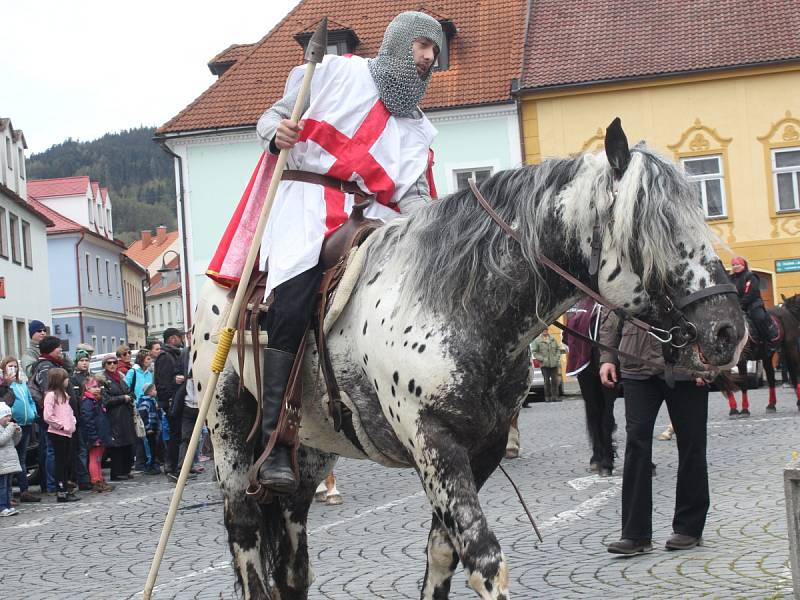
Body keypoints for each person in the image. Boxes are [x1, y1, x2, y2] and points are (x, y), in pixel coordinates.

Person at [204, 11, 444, 495]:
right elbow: (272, 116)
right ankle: (274, 438)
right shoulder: (337, 73)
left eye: (435, 52)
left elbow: (414, 194)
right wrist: (278, 133)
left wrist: (439, 227)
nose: (429, 58)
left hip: (371, 213)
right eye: (423, 45)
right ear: (398, 42)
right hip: (307, 202)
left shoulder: (417, 129)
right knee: (292, 297)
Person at [599, 311, 709, 555]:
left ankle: (689, 527)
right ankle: (635, 535)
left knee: (692, 444)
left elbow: (710, 308)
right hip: (636, 363)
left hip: (686, 365)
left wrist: (709, 359)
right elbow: (611, 311)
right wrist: (607, 357)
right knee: (636, 444)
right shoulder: (629, 271)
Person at [562, 300, 617, 476]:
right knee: (592, 409)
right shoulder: (579, 305)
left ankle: (609, 455)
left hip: (609, 360)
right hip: (585, 365)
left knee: (608, 411)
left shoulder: (609, 303)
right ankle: (598, 451)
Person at [0, 357, 41, 502]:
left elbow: (29, 399)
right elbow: (7, 402)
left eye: (15, 366)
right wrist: (6, 384)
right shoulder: (4, 384)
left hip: (26, 423)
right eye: (10, 366)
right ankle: (8, 495)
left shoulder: (21, 383)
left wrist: (33, 411)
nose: (13, 369)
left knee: (21, 458)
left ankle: (24, 490)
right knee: (9, 460)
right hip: (10, 424)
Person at [29, 335, 66, 494]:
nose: (61, 350)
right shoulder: (45, 367)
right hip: (49, 415)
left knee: (51, 449)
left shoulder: (51, 364)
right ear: (51, 349)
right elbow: (48, 392)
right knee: (51, 450)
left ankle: (54, 482)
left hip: (51, 414)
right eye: (59, 347)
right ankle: (52, 484)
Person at [42, 368, 79, 503]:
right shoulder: (51, 395)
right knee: (60, 463)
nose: (67, 380)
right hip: (58, 433)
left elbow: (69, 412)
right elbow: (48, 415)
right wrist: (61, 426)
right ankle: (61, 490)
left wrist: (72, 424)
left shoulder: (64, 394)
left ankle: (65, 488)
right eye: (65, 378)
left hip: (67, 433)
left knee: (66, 462)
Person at [98, 355, 137, 482]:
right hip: (113, 416)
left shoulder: (120, 377)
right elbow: (105, 400)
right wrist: (122, 398)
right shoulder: (103, 379)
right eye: (109, 363)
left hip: (125, 414)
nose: (112, 365)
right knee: (117, 446)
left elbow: (130, 392)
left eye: (114, 362)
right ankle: (117, 472)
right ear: (105, 365)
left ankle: (126, 470)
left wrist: (129, 397)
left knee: (128, 444)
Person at [730, 257, 778, 349]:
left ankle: (768, 341)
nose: (735, 267)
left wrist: (741, 304)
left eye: (737, 264)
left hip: (753, 304)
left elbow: (752, 293)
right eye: (733, 265)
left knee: (759, 318)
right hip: (736, 306)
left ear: (743, 265)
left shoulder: (751, 276)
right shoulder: (730, 279)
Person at [80, 377, 113, 493]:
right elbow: (88, 421)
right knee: (94, 458)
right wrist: (94, 437)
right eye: (94, 387)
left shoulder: (96, 400)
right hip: (95, 436)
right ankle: (95, 480)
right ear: (87, 388)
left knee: (99, 459)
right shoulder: (88, 402)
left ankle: (99, 478)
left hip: (101, 434)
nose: (97, 389)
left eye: (98, 386)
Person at [126, 350, 155, 471]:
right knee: (140, 434)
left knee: (149, 433)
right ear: (142, 360)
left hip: (149, 403)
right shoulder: (133, 372)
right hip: (137, 405)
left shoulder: (149, 373)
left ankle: (147, 460)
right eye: (148, 359)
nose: (150, 361)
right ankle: (140, 461)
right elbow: (126, 386)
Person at [68, 350, 92, 492]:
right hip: (81, 418)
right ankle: (83, 479)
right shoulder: (74, 379)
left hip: (91, 417)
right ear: (76, 363)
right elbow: (75, 399)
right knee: (82, 450)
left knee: (90, 449)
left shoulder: (90, 377)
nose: (84, 363)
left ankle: (91, 475)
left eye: (86, 360)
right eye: (81, 360)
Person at [530, 330, 566, 402]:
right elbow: (534, 352)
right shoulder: (537, 341)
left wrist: (556, 358)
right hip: (544, 365)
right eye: (543, 330)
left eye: (546, 330)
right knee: (546, 381)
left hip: (554, 364)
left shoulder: (552, 339)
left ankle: (555, 397)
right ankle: (547, 397)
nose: (545, 331)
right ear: (541, 331)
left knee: (555, 381)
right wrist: (542, 359)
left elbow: (558, 349)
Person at [0, 403, 22, 516]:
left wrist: (17, 433)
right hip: (2, 463)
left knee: (9, 486)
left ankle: (8, 505)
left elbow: (15, 442)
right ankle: (2, 507)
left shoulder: (6, 428)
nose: (8, 419)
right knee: (2, 486)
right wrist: (10, 429)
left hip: (10, 461)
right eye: (5, 416)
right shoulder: (3, 429)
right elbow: (1, 440)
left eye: (9, 416)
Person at [136, 383, 162, 475]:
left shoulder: (152, 401)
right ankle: (150, 466)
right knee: (150, 449)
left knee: (154, 447)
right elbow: (143, 417)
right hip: (149, 430)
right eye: (154, 390)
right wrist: (147, 428)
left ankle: (154, 465)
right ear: (150, 392)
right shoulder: (145, 402)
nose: (156, 391)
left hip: (154, 428)